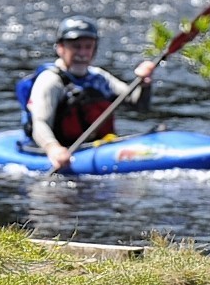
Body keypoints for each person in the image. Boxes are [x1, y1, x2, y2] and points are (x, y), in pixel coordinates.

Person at [23, 16, 156, 171]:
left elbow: (139, 106)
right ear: (60, 48)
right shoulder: (51, 81)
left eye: (88, 47)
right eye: (76, 47)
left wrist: (144, 84)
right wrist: (53, 149)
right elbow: (40, 123)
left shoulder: (99, 77)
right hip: (62, 150)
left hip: (97, 147)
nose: (83, 53)